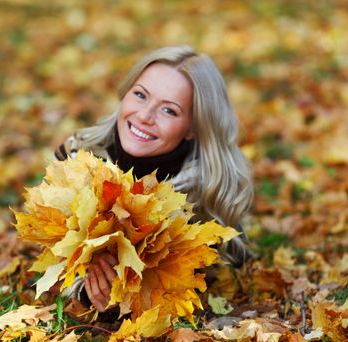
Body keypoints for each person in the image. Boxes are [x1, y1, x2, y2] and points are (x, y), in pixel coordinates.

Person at [55, 45, 254, 313]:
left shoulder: (203, 190)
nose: (145, 116)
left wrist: (136, 298)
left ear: (194, 128)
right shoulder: (78, 157)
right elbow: (51, 253)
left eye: (169, 110)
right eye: (140, 95)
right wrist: (86, 290)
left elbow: (213, 279)